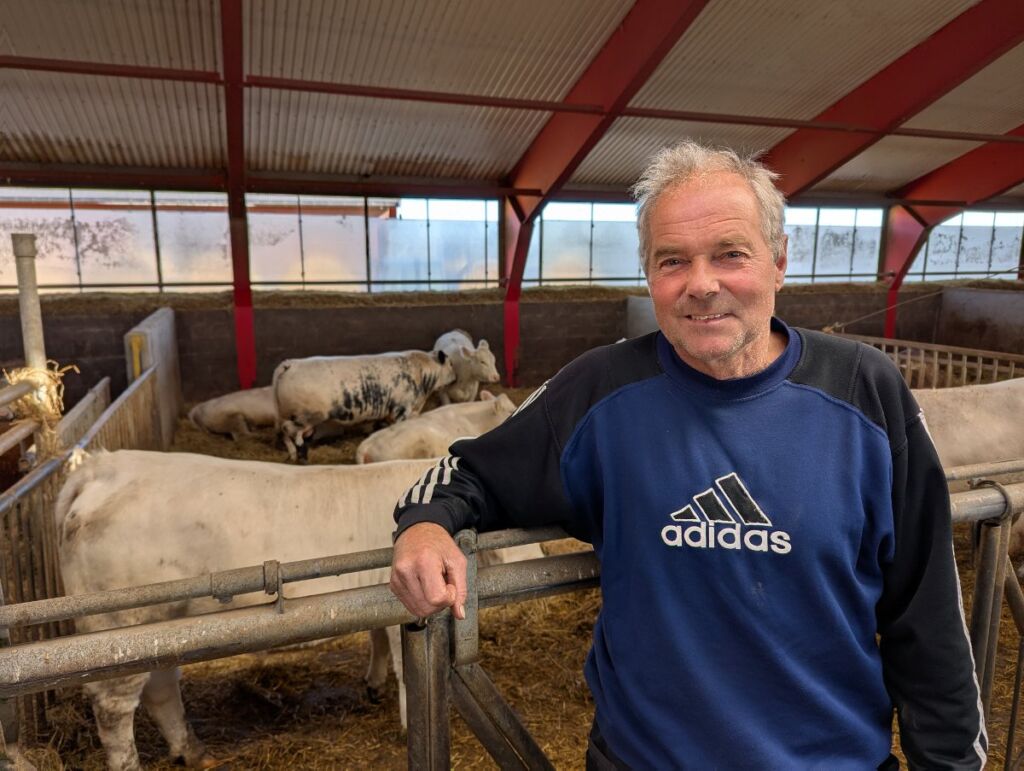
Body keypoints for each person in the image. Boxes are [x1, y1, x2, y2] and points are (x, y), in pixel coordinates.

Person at [389, 140, 987, 769]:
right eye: (672, 261)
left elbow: (928, 619)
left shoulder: (865, 391)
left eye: (730, 254)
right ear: (648, 273)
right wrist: (426, 527)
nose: (701, 285)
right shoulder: (601, 391)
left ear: (779, 260)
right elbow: (469, 471)